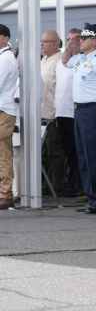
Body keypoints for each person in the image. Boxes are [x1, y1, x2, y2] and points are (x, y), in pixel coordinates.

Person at [62, 24, 96, 214]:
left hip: (94, 110)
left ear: (95, 40)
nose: (80, 41)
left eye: (83, 38)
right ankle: (92, 198)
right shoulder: (80, 59)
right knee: (83, 156)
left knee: (94, 156)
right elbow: (65, 60)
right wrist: (71, 43)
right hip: (80, 111)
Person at [55, 28, 81, 196]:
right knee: (66, 150)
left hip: (75, 112)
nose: (71, 42)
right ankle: (71, 183)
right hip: (61, 112)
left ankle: (78, 185)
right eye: (69, 38)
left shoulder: (80, 60)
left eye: (75, 39)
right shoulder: (61, 61)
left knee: (77, 151)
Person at [40, 30, 65, 194]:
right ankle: (45, 184)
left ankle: (57, 186)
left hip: (54, 114)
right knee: (44, 152)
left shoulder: (60, 60)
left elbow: (60, 89)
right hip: (41, 113)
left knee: (55, 152)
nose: (42, 45)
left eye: (46, 42)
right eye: (42, 42)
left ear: (56, 43)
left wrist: (57, 112)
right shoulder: (43, 60)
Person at [0, 24, 18, 209]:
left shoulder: (6, 58)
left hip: (4, 111)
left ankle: (5, 194)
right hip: (3, 110)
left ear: (4, 37)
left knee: (3, 153)